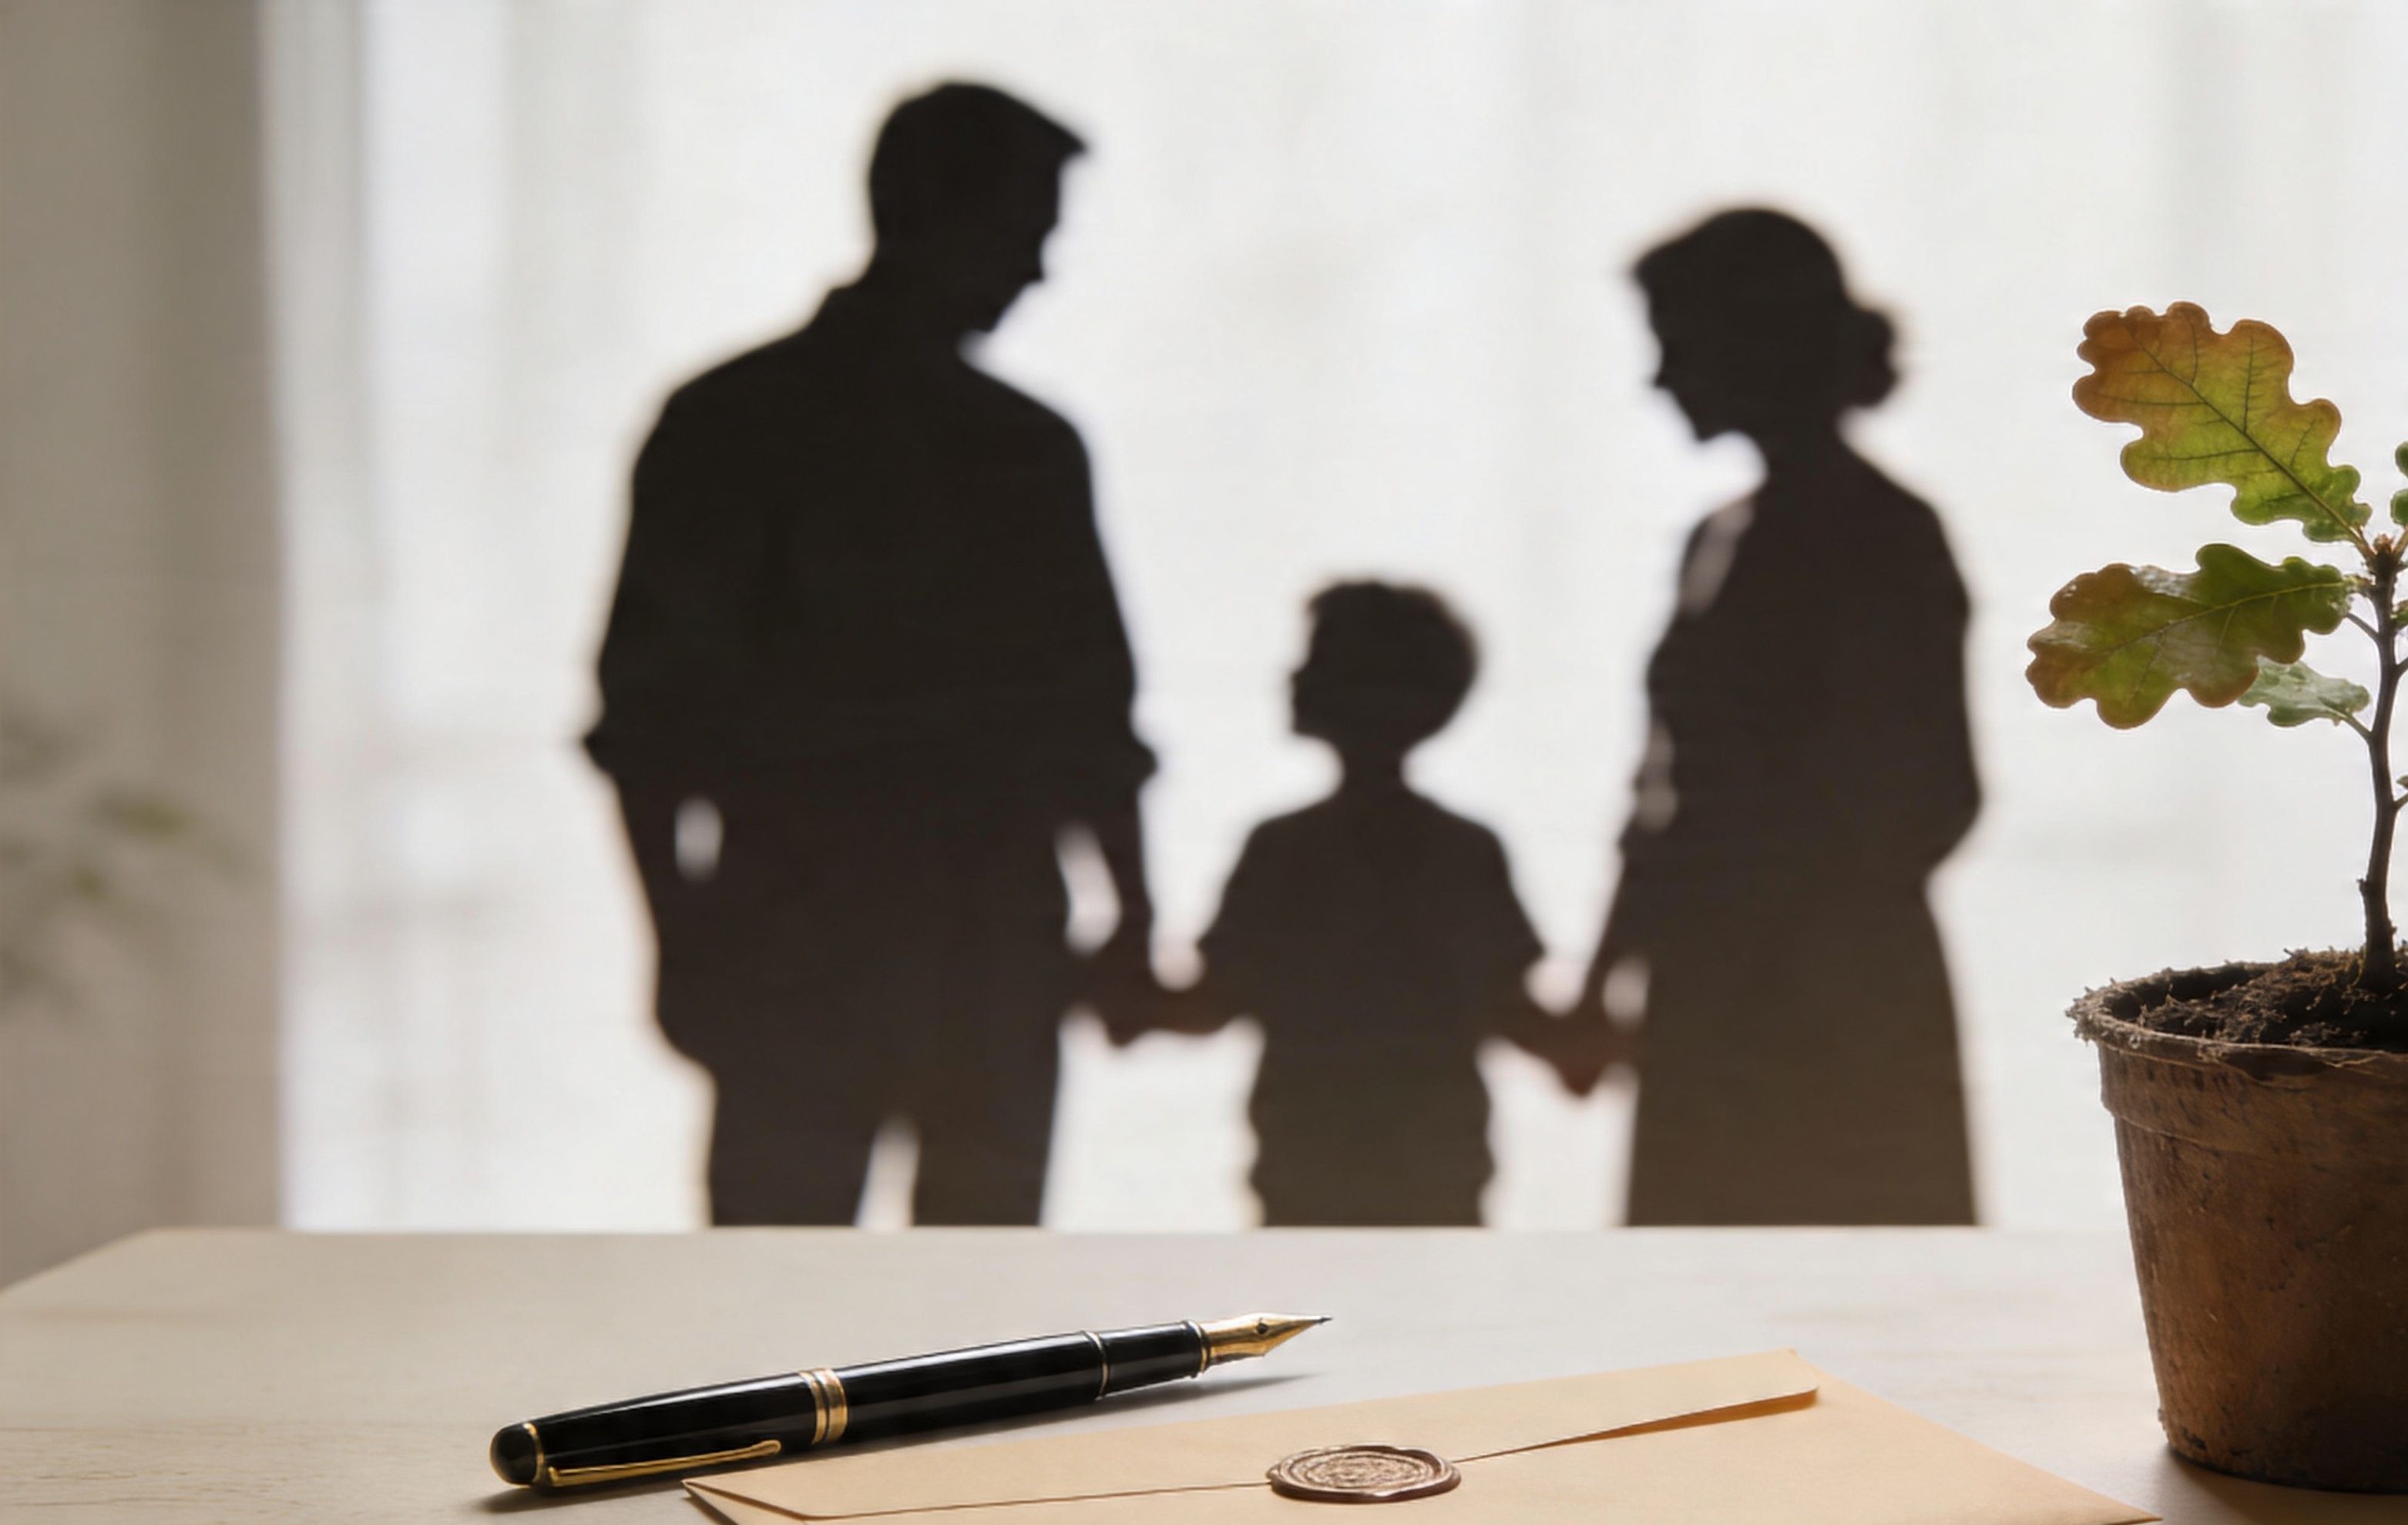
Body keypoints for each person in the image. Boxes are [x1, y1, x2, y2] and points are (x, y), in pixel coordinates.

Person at [584, 84, 1154, 1225]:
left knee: (776, 1308)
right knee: (983, 1334)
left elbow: (647, 724)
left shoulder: (727, 419)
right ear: (956, 215)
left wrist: (682, 936)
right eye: (1031, 232)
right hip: (975, 944)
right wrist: (1134, 920)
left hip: (796, 937)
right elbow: (1088, 725)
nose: (1038, 271)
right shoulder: (1021, 449)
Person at [1574, 209, 1982, 1225]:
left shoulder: (1873, 536)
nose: (1659, 379)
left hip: (1811, 1000)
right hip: (1767, 988)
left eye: (1674, 343)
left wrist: (1632, 973)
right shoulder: (1741, 537)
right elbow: (1669, 797)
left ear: (1743, 345)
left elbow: (1929, 794)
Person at [1156, 583, 1591, 1225]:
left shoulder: (1284, 850)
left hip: (1304, 1161)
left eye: (1318, 658)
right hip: (1437, 1166)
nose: (1295, 673)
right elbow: (1513, 1010)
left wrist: (1102, 984)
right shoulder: (1465, 852)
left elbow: (1214, 1003)